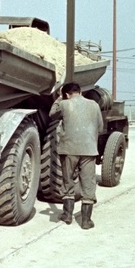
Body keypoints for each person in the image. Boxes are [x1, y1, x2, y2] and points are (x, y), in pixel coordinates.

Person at [49, 82, 104, 230]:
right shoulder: (94, 105)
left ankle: (67, 215)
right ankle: (86, 221)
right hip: (89, 150)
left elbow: (52, 114)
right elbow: (100, 127)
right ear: (80, 92)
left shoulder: (65, 104)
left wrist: (59, 98)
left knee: (68, 182)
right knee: (88, 183)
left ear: (66, 94)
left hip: (69, 149)